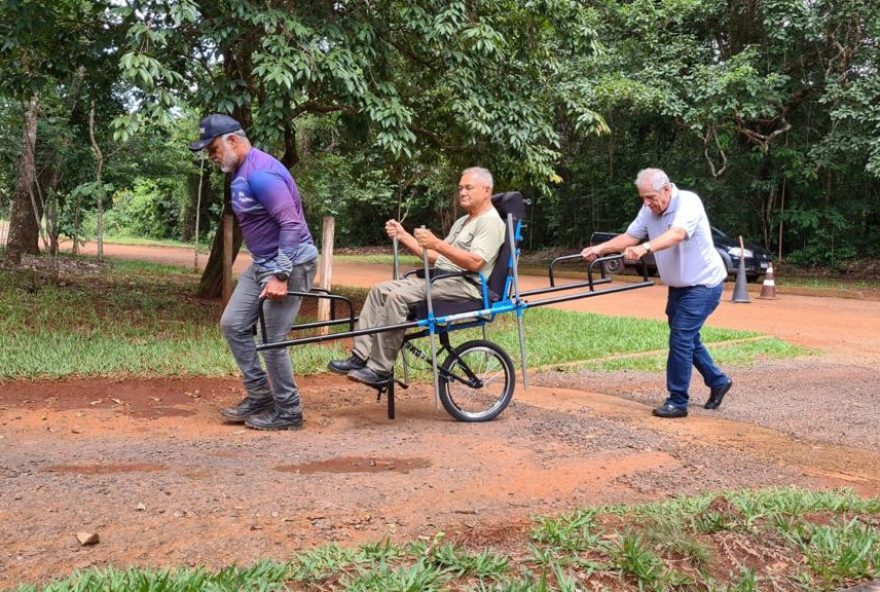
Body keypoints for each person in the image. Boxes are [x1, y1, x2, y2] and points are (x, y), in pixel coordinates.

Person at [189, 114, 318, 430]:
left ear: (233, 140)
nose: (212, 155)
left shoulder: (262, 174)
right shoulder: (240, 172)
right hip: (262, 263)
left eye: (214, 148)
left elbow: (291, 224)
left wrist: (281, 274)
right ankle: (260, 394)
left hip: (290, 263)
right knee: (233, 323)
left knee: (271, 339)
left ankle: (289, 412)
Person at [328, 167, 506, 387]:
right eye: (460, 188)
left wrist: (437, 243)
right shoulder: (463, 221)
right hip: (444, 278)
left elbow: (474, 262)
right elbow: (434, 256)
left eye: (469, 187)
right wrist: (403, 235)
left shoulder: (490, 221)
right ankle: (359, 356)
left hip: (467, 285)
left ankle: (380, 369)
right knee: (379, 290)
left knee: (397, 296)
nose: (462, 192)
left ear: (487, 190)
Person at [581, 168, 733, 418]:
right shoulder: (649, 209)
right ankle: (718, 381)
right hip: (679, 287)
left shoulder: (688, 202)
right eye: (643, 198)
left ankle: (678, 401)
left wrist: (645, 248)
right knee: (687, 338)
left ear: (666, 189)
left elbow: (677, 235)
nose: (647, 203)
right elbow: (630, 236)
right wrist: (600, 248)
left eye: (651, 197)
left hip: (704, 285)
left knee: (681, 338)